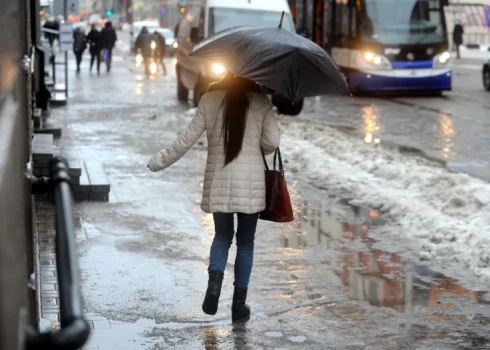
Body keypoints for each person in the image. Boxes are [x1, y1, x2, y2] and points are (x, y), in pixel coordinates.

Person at [147, 72, 280, 322]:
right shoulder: (261, 101)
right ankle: (238, 306)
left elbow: (185, 140)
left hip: (219, 182)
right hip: (250, 186)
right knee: (246, 242)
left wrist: (157, 162)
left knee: (222, 236)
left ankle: (214, 285)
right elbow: (271, 143)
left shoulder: (210, 100)